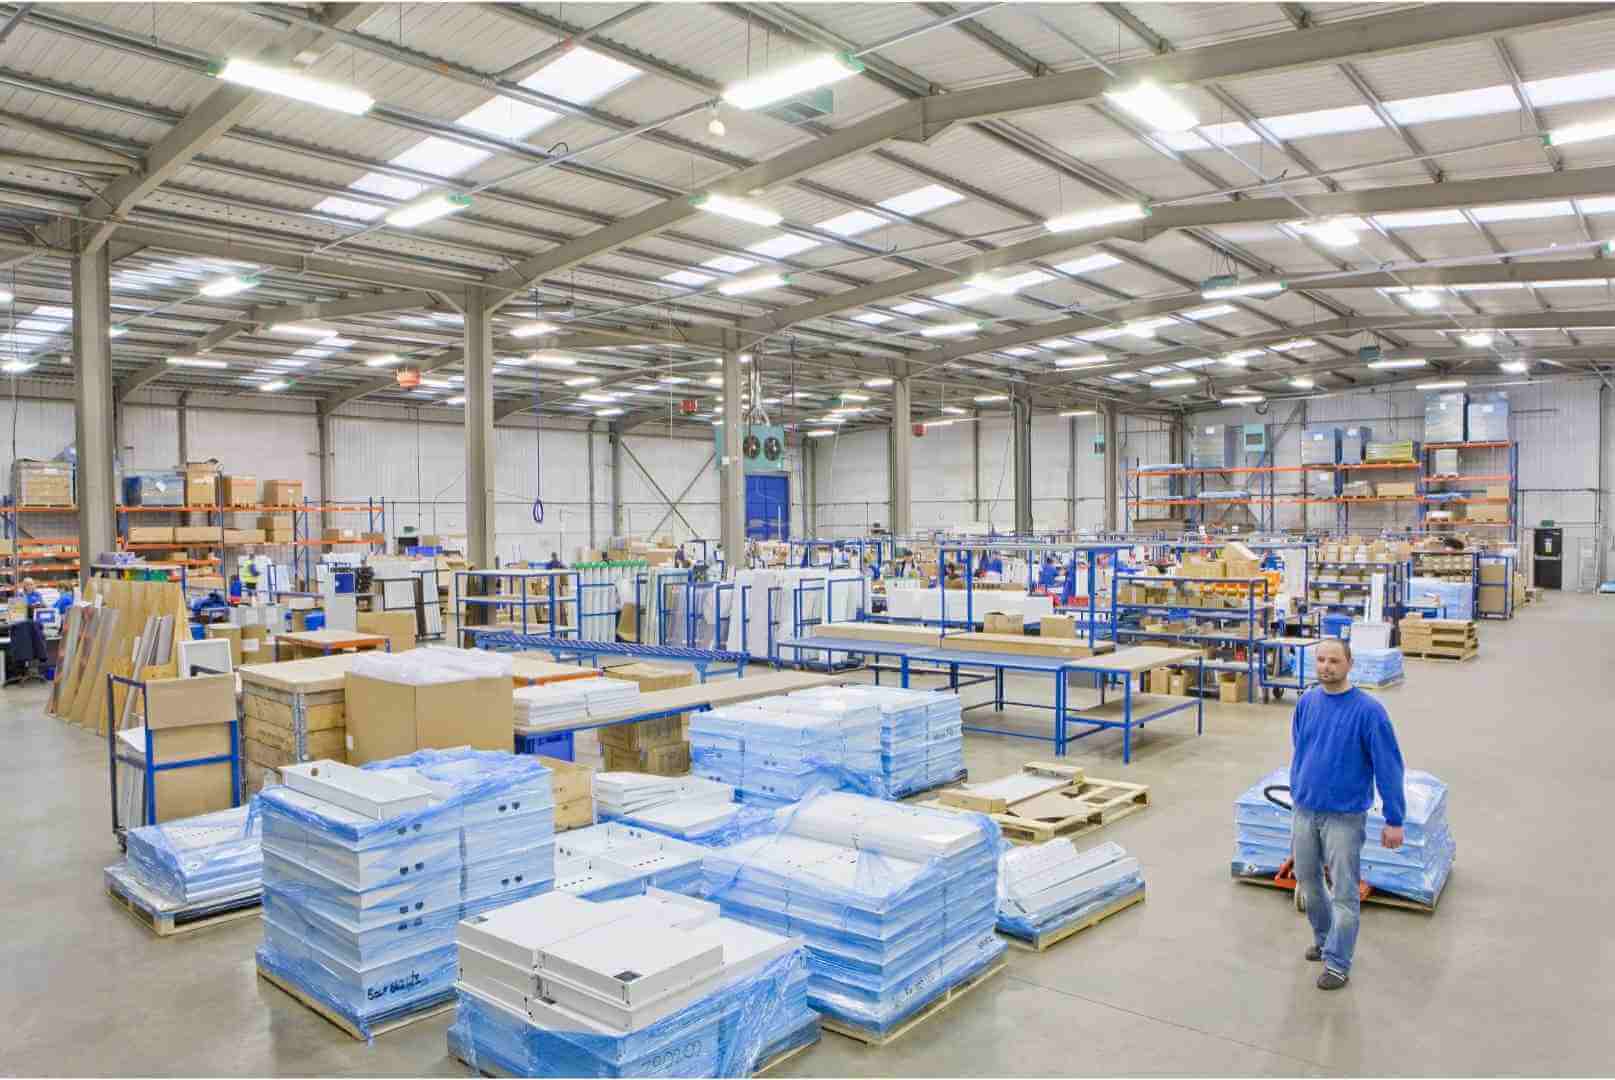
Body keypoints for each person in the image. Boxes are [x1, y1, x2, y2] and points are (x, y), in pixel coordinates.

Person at [1280, 637, 1406, 991]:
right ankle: (1323, 940)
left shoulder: (1369, 712)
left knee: (1345, 892)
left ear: (1349, 664)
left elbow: (1389, 767)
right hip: (1305, 811)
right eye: (1320, 660)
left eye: (1334, 661)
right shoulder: (1306, 703)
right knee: (1307, 881)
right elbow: (1300, 748)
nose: (1325, 667)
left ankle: (1338, 961)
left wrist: (1395, 819)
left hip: (1344, 818)